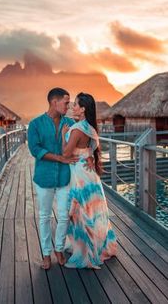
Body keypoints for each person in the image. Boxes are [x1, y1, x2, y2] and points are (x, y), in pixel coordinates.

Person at [28, 88, 94, 270]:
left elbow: (87, 137)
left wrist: (90, 155)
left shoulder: (71, 123)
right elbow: (35, 149)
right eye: (66, 102)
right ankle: (46, 254)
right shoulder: (35, 124)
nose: (69, 105)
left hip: (66, 176)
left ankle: (59, 249)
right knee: (44, 216)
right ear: (54, 102)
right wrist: (59, 158)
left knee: (64, 216)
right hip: (44, 177)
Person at [62, 92, 117, 269]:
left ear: (83, 108)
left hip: (79, 173)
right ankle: (97, 244)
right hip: (90, 174)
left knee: (80, 210)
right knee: (91, 209)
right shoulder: (90, 128)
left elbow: (66, 154)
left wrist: (64, 135)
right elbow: (89, 151)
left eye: (76, 104)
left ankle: (85, 249)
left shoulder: (77, 129)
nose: (73, 107)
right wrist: (90, 158)